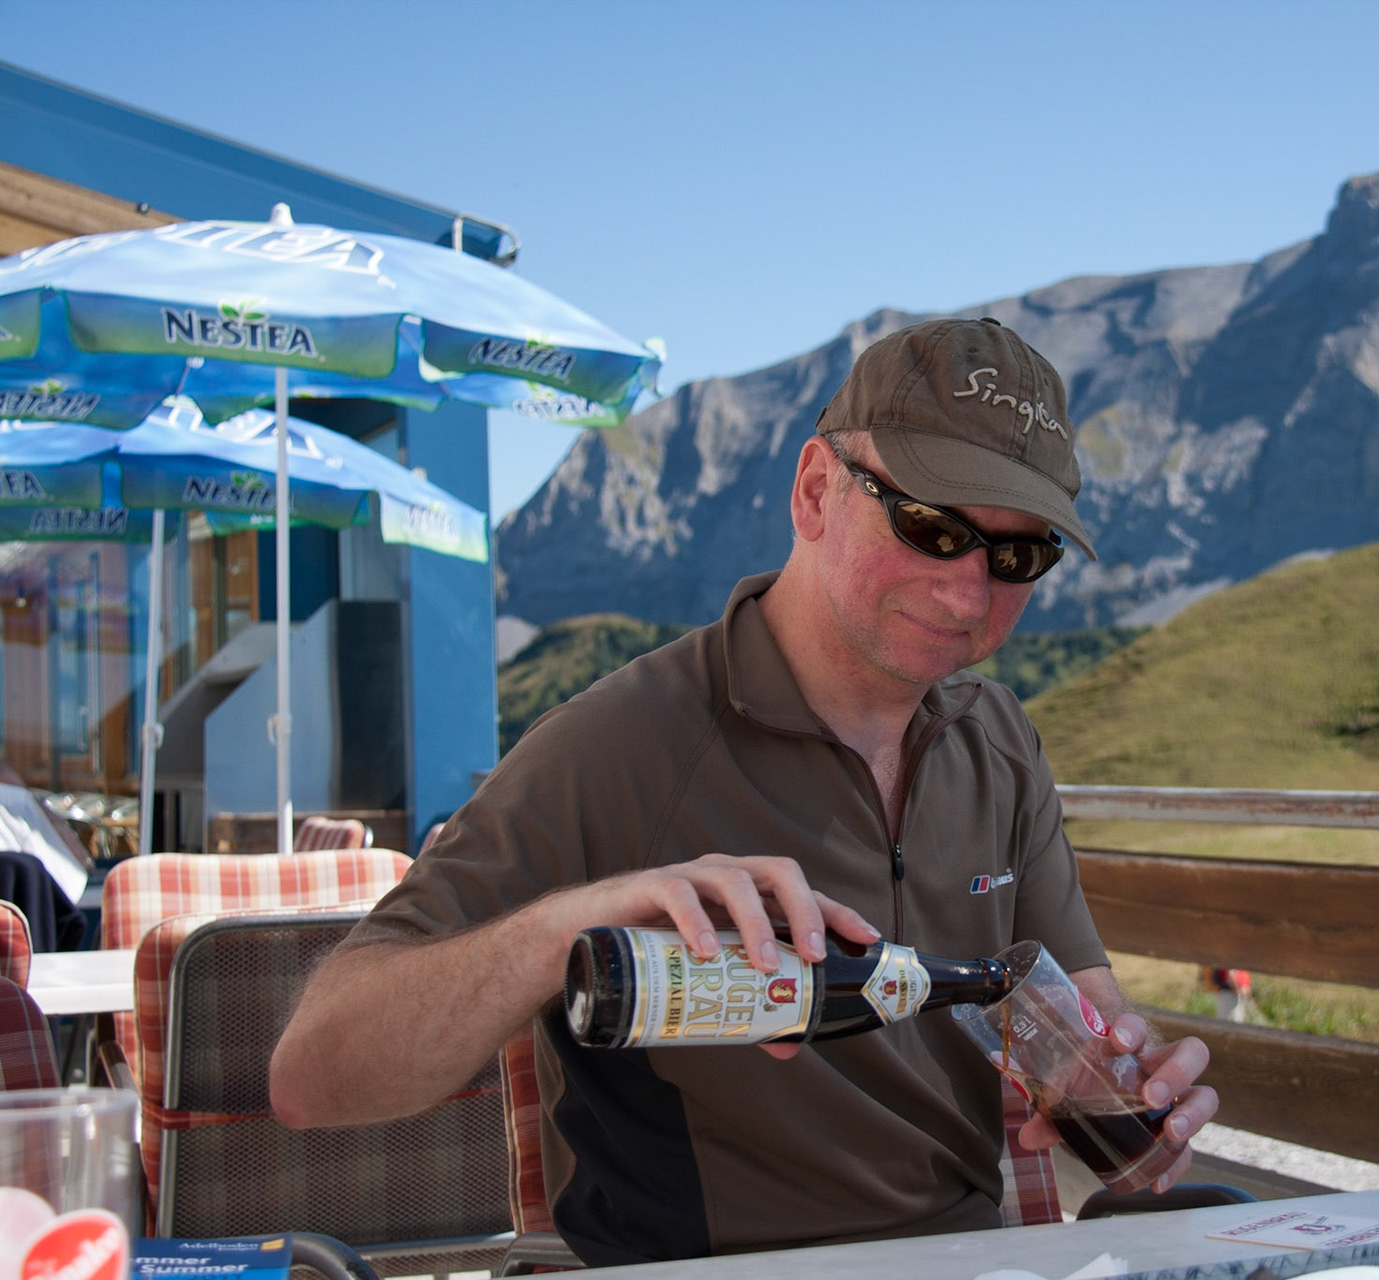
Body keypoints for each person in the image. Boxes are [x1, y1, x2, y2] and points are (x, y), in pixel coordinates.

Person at [269, 317, 1217, 1264]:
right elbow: (313, 1077)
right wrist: (567, 928)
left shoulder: (1001, 741)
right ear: (814, 491)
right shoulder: (620, 745)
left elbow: (1085, 1022)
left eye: (1018, 558)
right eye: (932, 528)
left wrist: (1131, 1087)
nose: (970, 595)